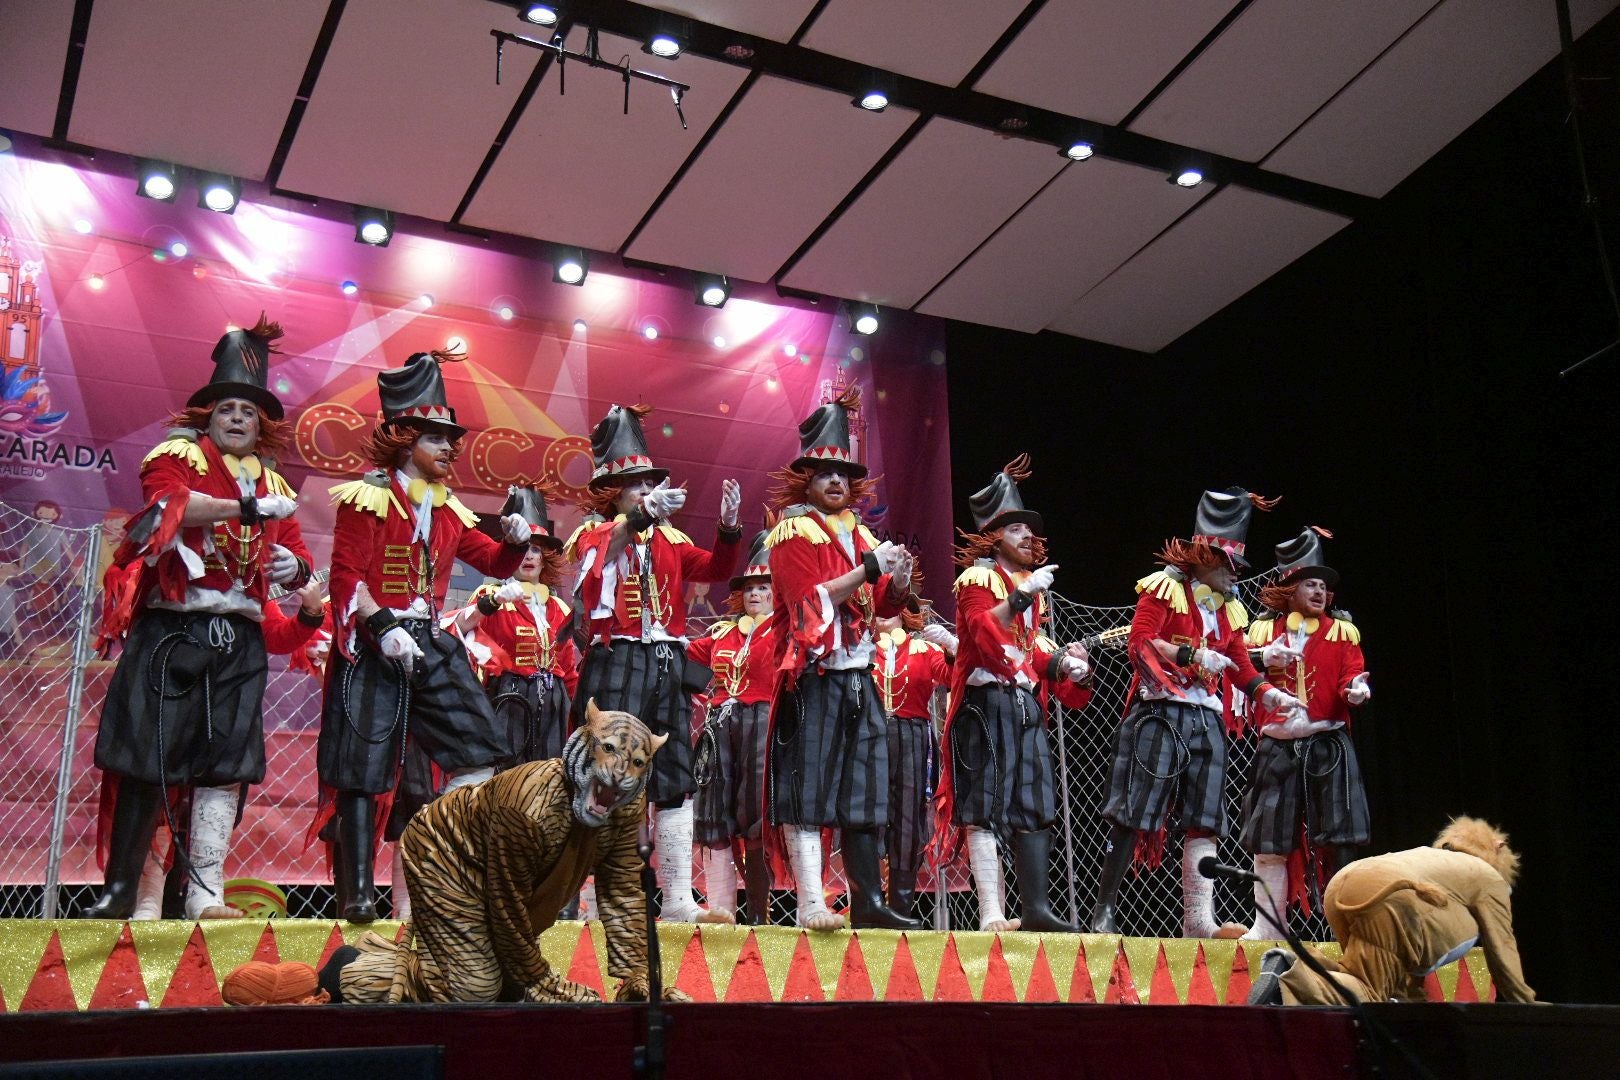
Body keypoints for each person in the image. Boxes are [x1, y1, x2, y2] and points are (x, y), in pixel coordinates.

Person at [83, 316, 311, 920]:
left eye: (248, 410)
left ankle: (204, 893)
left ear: (262, 425)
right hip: (174, 630)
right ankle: (130, 894)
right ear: (206, 416)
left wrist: (294, 568)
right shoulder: (176, 457)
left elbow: (300, 557)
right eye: (227, 407)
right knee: (147, 759)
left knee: (224, 767)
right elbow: (167, 509)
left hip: (239, 637)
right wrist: (245, 506)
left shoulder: (273, 482)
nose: (237, 417)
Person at [318, 348, 532, 923]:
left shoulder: (448, 507)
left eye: (452, 439)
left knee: (481, 750)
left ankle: (440, 856)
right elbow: (345, 577)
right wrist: (380, 627)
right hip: (375, 643)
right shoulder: (369, 496)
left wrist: (513, 540)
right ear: (405, 437)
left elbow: (493, 561)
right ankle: (359, 893)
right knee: (362, 768)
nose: (450, 448)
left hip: (428, 640)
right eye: (438, 438)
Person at [309, 702, 689, 1005]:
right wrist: (542, 980)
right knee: (473, 993)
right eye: (608, 750)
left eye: (637, 763)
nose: (620, 772)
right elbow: (505, 906)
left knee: (504, 990)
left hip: (496, 873)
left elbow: (623, 890)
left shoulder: (625, 805)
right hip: (446, 850)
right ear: (583, 742)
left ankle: (448, 968)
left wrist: (638, 976)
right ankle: (353, 968)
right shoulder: (530, 808)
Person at [1088, 487, 1304, 939]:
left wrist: (1270, 696)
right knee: (1133, 810)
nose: (1236, 578)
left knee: (1205, 816)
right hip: (1160, 713)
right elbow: (1140, 642)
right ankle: (1103, 910)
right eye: (1231, 566)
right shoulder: (1162, 589)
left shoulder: (1229, 611)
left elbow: (1241, 665)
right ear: (1207, 557)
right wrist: (1190, 655)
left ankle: (1197, 921)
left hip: (1206, 719)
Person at [571, 403, 743, 922]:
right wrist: (641, 516)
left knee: (673, 777)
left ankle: (676, 900)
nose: (647, 492)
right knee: (607, 775)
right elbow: (600, 560)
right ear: (613, 494)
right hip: (616, 660)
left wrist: (729, 528)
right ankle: (592, 901)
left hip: (665, 661)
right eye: (636, 485)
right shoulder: (592, 533)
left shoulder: (670, 539)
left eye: (650, 484)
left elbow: (714, 569)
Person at [765, 387, 920, 931]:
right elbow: (804, 602)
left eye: (843, 474)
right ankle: (810, 901)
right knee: (808, 786)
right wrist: (868, 570)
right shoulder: (792, 532)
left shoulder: (860, 535)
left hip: (859, 678)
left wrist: (896, 582)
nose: (836, 482)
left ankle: (869, 904)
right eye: (825, 473)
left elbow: (878, 609)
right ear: (806, 480)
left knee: (865, 790)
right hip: (816, 677)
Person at [932, 455, 1092, 932]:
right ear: (994, 536)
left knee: (1034, 802)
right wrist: (1021, 598)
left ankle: (1037, 910)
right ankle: (991, 914)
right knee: (983, 804)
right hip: (985, 705)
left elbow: (1031, 651)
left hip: (1023, 706)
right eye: (1017, 528)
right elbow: (983, 633)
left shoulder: (1028, 588)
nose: (1028, 536)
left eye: (1029, 529)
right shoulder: (978, 580)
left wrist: (1069, 667)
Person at [130, 577, 329, 920]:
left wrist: (310, 613)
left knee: (222, 779)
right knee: (156, 783)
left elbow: (278, 636)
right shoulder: (178, 547)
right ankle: (146, 903)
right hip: (166, 672)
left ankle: (205, 896)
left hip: (228, 689)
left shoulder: (248, 568)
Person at [1240, 527, 1372, 938]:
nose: (1318, 592)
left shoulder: (1341, 632)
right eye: (1309, 584)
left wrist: (1357, 692)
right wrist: (1263, 659)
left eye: (1322, 586)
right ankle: (1267, 927)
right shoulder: (1262, 634)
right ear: (1290, 589)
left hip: (1327, 744)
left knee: (1339, 834)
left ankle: (1346, 924)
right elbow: (1238, 667)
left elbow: (1353, 675)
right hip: (1278, 745)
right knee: (1269, 835)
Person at [1248, 817, 1535, 1005]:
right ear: (1498, 848)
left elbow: (1420, 927)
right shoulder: (1487, 876)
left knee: (1359, 975)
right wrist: (1526, 1004)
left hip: (1343, 884)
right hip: (1387, 894)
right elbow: (1502, 946)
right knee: (1369, 991)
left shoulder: (1434, 860)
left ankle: (1306, 963)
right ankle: (1293, 971)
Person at [447, 483, 580, 768]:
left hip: (553, 707)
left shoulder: (559, 608)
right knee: (506, 779)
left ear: (545, 558)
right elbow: (469, 653)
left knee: (547, 779)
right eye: (522, 549)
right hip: (507, 701)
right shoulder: (489, 597)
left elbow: (567, 670)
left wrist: (579, 712)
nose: (529, 556)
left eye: (535, 549)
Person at [684, 530, 779, 924]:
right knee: (715, 817)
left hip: (762, 727)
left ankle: (759, 913)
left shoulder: (783, 631)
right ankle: (721, 910)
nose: (754, 594)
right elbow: (682, 659)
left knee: (755, 818)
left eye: (763, 587)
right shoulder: (721, 635)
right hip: (720, 729)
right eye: (749, 588)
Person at [871, 589, 953, 922]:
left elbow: (952, 675)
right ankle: (869, 902)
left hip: (912, 737)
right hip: (870, 738)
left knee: (907, 821)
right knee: (868, 815)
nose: (882, 614)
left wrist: (951, 647)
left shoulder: (925, 650)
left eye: (890, 608)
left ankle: (899, 906)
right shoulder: (860, 651)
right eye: (877, 608)